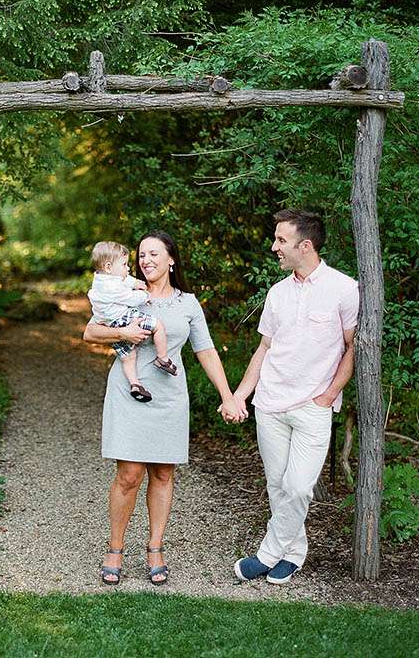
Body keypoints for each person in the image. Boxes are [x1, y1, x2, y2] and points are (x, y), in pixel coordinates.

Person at [83, 230, 241, 586]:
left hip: (170, 395)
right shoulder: (123, 293)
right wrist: (122, 335)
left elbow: (206, 350)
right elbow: (90, 333)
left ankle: (155, 547)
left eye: (154, 254)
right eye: (141, 254)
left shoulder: (188, 303)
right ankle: (115, 548)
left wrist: (227, 395)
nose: (146, 260)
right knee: (129, 474)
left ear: (171, 260)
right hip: (130, 390)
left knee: (163, 474)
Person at [229, 209, 359, 585]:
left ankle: (266, 555)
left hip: (313, 407)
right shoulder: (277, 293)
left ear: (306, 245)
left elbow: (352, 347)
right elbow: (264, 348)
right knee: (277, 486)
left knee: (299, 486)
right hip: (269, 403)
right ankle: (293, 552)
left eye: (281, 241)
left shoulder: (344, 288)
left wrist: (330, 393)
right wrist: (241, 395)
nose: (274, 248)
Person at [87, 240, 178, 403]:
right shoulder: (112, 289)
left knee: (128, 357)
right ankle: (163, 358)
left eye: (154, 254)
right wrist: (145, 295)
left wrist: (135, 282)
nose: (128, 268)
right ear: (108, 267)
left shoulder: (102, 280)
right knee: (158, 326)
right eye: (124, 264)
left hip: (109, 322)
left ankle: (135, 384)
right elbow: (129, 298)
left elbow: (122, 279)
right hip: (123, 319)